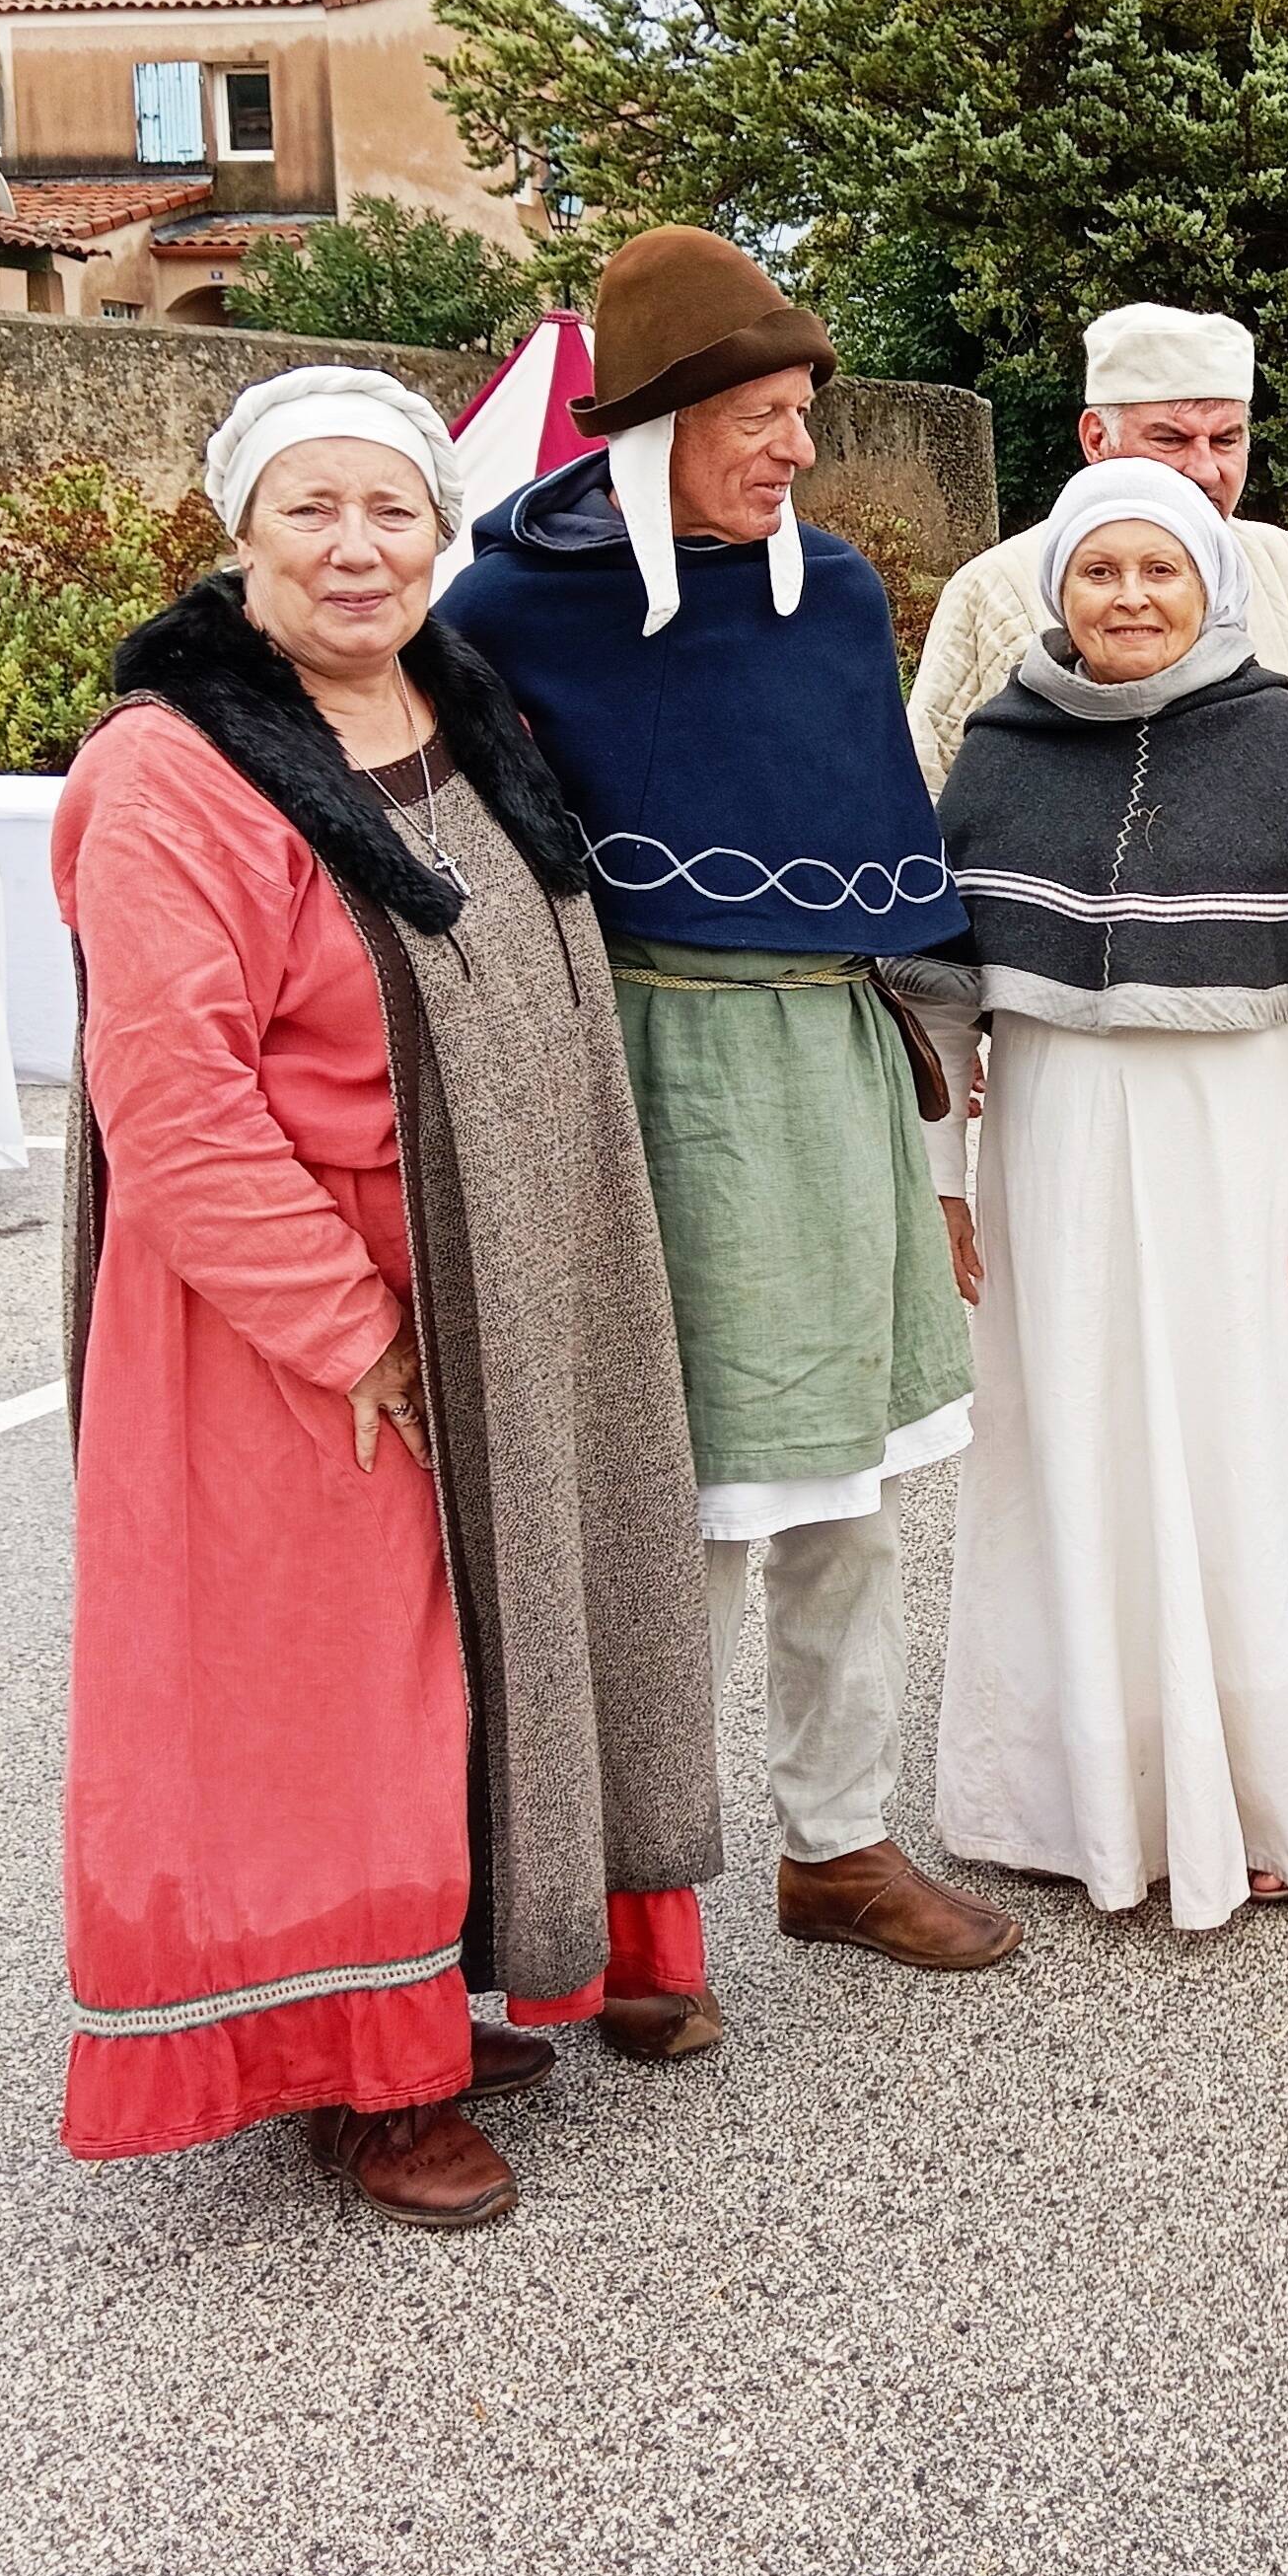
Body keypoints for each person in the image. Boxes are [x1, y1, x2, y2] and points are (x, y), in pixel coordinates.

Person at [55, 366, 724, 2229]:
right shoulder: (172, 766)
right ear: (238, 537)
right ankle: (364, 2063)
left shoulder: (463, 706)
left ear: (447, 532)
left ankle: (438, 1961)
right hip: (298, 1301)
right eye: (310, 512)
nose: (357, 548)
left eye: (394, 512)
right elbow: (170, 1091)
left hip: (493, 1262)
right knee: (336, 1687)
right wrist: (350, 1325)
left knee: (487, 1634)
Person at [439, 227, 1022, 1975]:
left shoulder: (832, 592)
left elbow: (890, 869)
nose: (792, 448)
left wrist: (938, 1150)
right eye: (755, 416)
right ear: (651, 429)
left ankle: (836, 1844)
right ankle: (641, 1892)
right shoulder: (502, 608)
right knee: (677, 1494)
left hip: (832, 1069)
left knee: (849, 1484)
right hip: (650, 1073)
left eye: (800, 415)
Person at [901, 459, 1288, 1927]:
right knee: (1076, 1451)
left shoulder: (1286, 744)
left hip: (1242, 1156)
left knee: (1253, 1459)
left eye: (1160, 571)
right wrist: (942, 1182)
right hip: (1055, 1155)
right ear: (1057, 591)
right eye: (1101, 573)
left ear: (1209, 586)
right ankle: (1088, 1798)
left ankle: (1276, 1795)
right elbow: (948, 1002)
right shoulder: (1003, 747)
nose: (1131, 598)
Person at [909, 302, 1288, 785]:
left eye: (1226, 440)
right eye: (1171, 440)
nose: (1205, 470)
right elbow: (928, 791)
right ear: (1097, 440)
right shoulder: (993, 589)